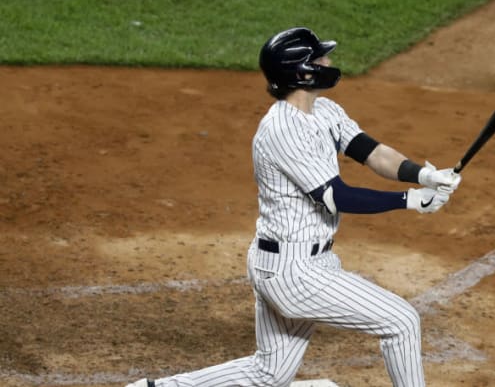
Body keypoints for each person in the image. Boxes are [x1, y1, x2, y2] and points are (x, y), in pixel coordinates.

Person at [126, 27, 461, 387]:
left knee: (269, 374)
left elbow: (372, 152)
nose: (329, 62)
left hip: (297, 262)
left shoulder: (325, 110)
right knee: (401, 321)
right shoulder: (281, 130)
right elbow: (336, 196)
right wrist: (408, 201)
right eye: (320, 59)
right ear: (302, 72)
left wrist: (423, 175)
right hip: (294, 273)